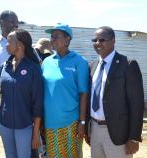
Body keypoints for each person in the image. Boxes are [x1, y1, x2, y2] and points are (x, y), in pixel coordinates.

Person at [86, 26, 144, 158]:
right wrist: (87, 130)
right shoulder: (92, 66)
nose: (97, 43)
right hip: (95, 130)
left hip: (119, 133)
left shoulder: (128, 64)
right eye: (94, 40)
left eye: (102, 40)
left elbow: (137, 104)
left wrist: (134, 137)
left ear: (113, 41)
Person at [0, 29, 43, 158]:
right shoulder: (4, 67)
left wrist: (36, 133)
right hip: (4, 124)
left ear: (19, 44)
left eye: (9, 41)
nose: (6, 45)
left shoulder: (33, 69)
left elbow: (38, 103)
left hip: (24, 126)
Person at [42, 23, 89, 157]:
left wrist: (82, 122)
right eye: (51, 37)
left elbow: (83, 93)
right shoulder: (47, 62)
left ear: (68, 40)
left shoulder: (79, 62)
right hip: (50, 124)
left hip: (71, 124)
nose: (52, 40)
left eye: (56, 37)